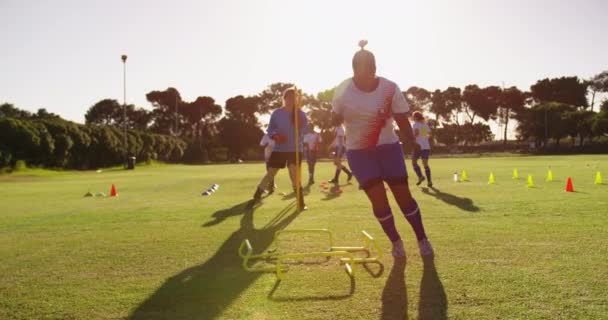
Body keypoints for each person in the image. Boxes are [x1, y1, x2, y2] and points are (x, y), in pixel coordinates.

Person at [331, 40, 433, 257]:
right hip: (359, 153)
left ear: (376, 69)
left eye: (371, 68)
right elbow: (335, 115)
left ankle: (422, 238)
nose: (367, 73)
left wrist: (410, 141)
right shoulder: (343, 89)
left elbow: (401, 118)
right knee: (378, 198)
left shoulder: (389, 88)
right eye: (362, 69)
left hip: (388, 148)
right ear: (354, 70)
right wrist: (334, 118)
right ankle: (396, 242)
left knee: (403, 196)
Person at [252, 87, 307, 210]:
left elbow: (305, 129)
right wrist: (275, 136)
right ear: (284, 98)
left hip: (295, 149)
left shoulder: (301, 114)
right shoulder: (277, 113)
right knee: (271, 173)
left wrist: (300, 130)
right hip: (280, 149)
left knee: (294, 174)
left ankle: (301, 202)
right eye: (289, 98)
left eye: (294, 98)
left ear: (297, 99)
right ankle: (258, 194)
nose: (291, 100)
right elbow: (270, 129)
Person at [411, 111, 433, 187]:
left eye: (413, 116)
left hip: (418, 147)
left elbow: (416, 134)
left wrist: (412, 138)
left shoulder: (415, 124)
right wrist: (425, 139)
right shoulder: (424, 124)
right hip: (425, 146)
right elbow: (429, 134)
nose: (412, 118)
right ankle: (429, 181)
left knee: (414, 162)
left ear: (416, 117)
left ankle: (420, 176)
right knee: (425, 164)